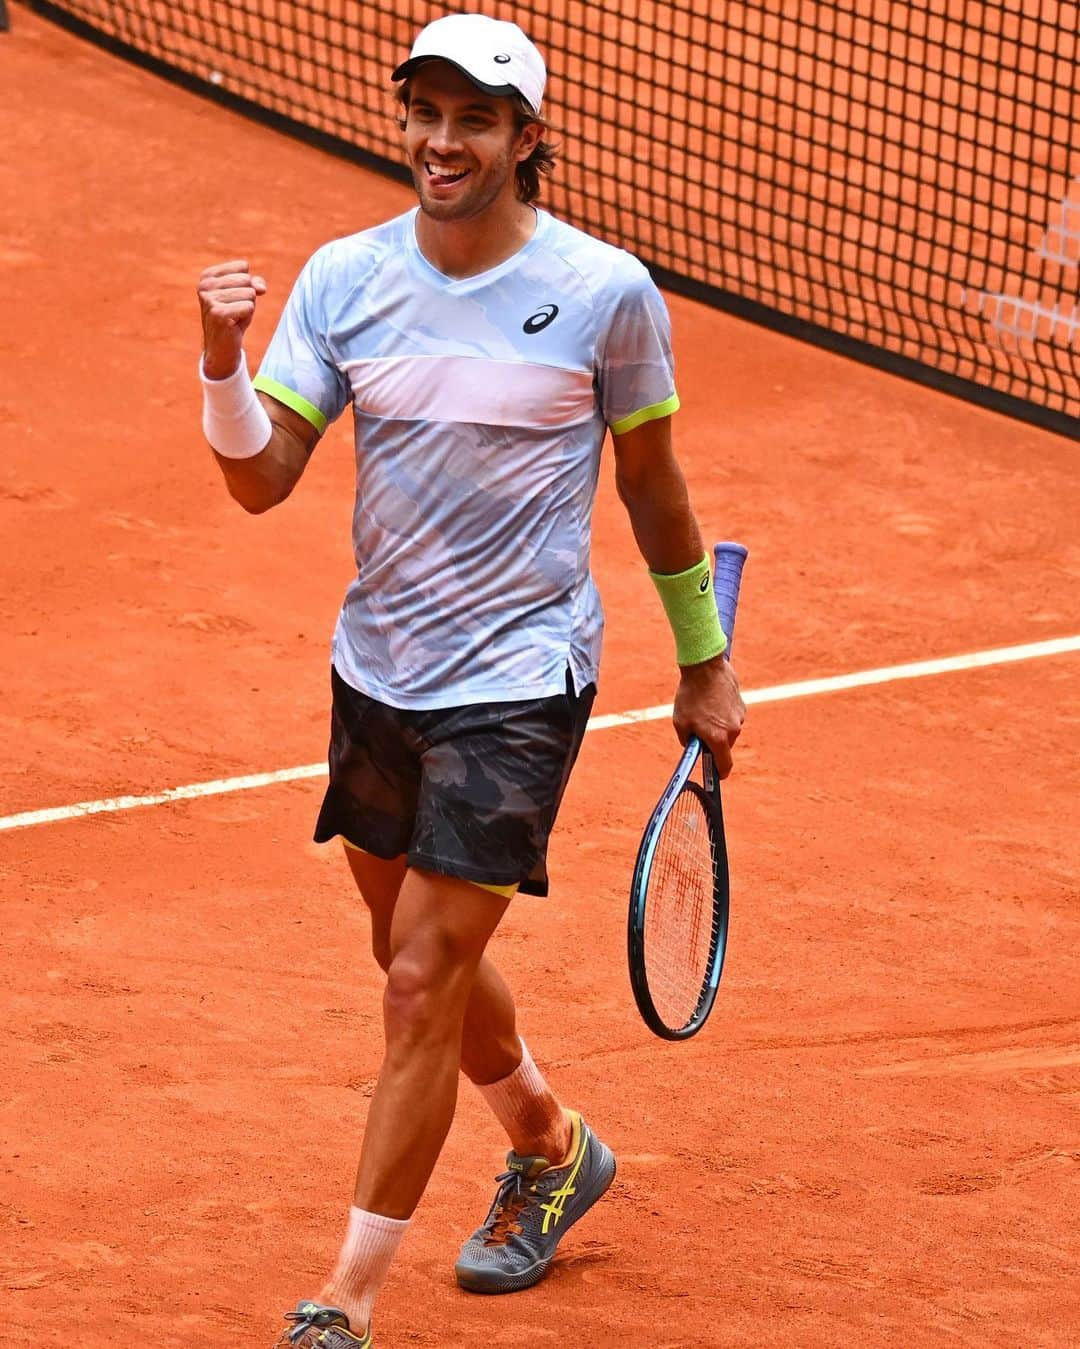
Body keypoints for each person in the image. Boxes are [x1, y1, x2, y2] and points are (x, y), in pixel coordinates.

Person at [196, 13, 745, 1347]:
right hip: (378, 666)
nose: (443, 142)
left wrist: (703, 664)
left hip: (521, 675)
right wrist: (219, 363)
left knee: (417, 976)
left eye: (475, 120)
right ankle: (554, 1144)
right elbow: (263, 480)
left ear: (526, 137)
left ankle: (345, 1299)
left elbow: (652, 484)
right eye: (425, 113)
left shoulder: (608, 294)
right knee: (409, 948)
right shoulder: (346, 280)